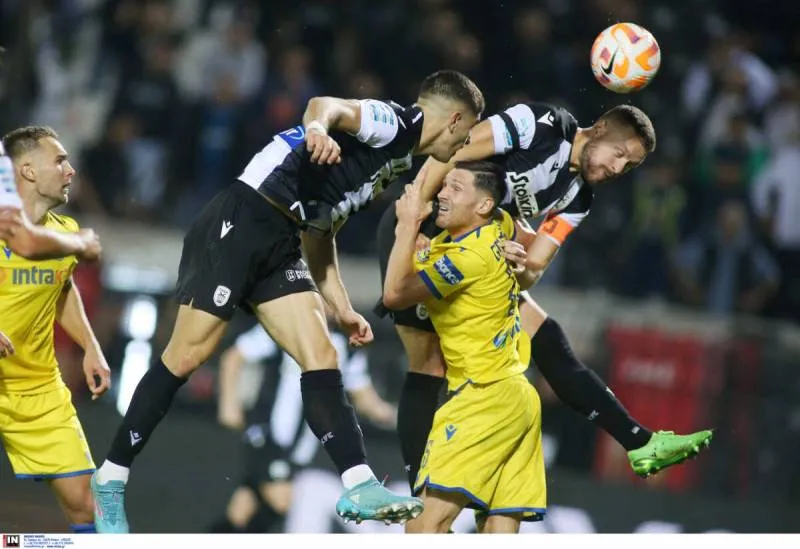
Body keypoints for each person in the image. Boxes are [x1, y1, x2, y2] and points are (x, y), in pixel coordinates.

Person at [91, 69, 485, 532]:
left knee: (321, 354)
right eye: (468, 133)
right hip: (245, 216)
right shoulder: (397, 123)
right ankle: (111, 478)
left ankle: (359, 483)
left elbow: (321, 232)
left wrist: (341, 306)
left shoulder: (396, 162)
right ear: (455, 119)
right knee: (186, 356)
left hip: (283, 239)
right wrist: (317, 128)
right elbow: (325, 105)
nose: (465, 145)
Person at [375, 101, 713, 490]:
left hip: (477, 254)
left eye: (629, 165)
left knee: (547, 336)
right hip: (424, 233)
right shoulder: (542, 124)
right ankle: (417, 488)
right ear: (600, 129)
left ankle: (640, 443)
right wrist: (415, 215)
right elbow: (457, 148)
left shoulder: (579, 199)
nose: (618, 168)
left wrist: (517, 263)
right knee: (429, 363)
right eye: (619, 154)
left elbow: (533, 270)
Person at [383, 161, 544, 533]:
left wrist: (407, 224)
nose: (442, 194)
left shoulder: (466, 258)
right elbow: (528, 238)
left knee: (422, 528)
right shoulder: (496, 226)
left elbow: (394, 294)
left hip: (481, 397)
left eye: (455, 188)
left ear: (483, 204)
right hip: (518, 398)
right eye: (444, 185)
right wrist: (518, 259)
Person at [0, 126, 112, 534]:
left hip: (35, 387)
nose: (71, 170)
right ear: (28, 170)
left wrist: (90, 346)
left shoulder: (62, 231)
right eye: (60, 160)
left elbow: (61, 288)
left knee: (89, 507)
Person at [210, 319, 396, 533]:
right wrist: (228, 404)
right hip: (269, 435)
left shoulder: (347, 347)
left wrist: (400, 417)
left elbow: (365, 398)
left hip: (299, 452)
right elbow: (234, 356)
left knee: (241, 511)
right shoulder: (285, 323)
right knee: (283, 500)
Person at [0, 139, 102, 261]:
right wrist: (82, 241)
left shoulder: (66, 228)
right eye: (59, 161)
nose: (71, 171)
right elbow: (26, 243)